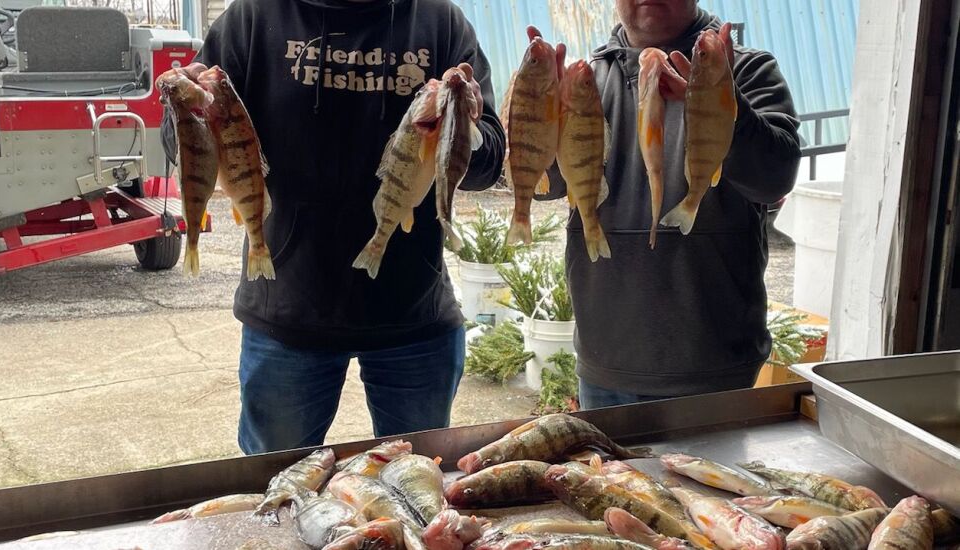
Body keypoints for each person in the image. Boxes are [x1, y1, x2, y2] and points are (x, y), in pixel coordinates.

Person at [160, 0, 505, 454]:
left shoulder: (439, 21)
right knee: (277, 487)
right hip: (287, 316)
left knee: (418, 485)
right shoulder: (253, 18)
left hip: (413, 316)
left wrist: (463, 124)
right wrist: (182, 108)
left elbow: (488, 163)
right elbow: (179, 146)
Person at [539, 0, 801, 409]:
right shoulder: (586, 79)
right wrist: (541, 115)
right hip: (607, 361)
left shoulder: (746, 69)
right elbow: (545, 186)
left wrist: (722, 101)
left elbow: (775, 179)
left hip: (714, 367)